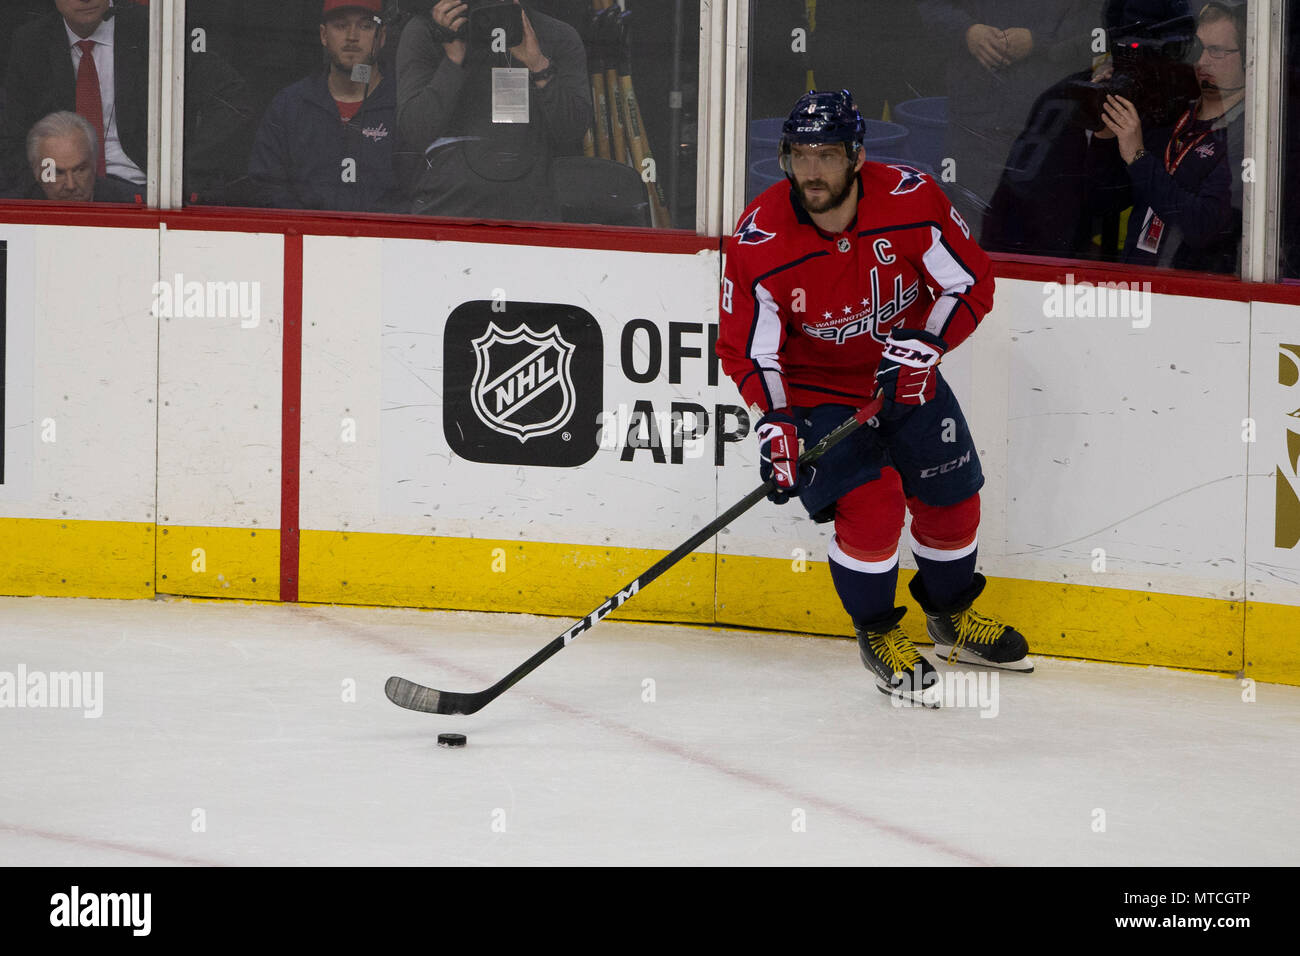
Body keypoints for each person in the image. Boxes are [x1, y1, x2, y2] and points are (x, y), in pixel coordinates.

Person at [716, 89, 1032, 707]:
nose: (812, 171)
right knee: (876, 503)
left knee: (952, 498)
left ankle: (950, 618)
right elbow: (749, 351)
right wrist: (776, 422)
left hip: (904, 374)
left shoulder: (912, 202)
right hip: (816, 395)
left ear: (857, 156)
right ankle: (879, 634)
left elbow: (970, 281)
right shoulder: (759, 242)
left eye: (827, 155)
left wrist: (928, 345)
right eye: (800, 155)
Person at [1087, 1, 1246, 272]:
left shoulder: (1250, 134)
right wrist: (1106, 129)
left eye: (1217, 51)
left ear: (1250, 57)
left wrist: (1138, 157)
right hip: (1136, 288)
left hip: (1191, 299)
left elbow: (1204, 226)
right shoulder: (1172, 114)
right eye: (1199, 49)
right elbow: (1103, 202)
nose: (1203, 61)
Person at [395, 0, 591, 220]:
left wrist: (538, 66)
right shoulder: (429, 30)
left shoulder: (556, 34)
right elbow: (414, 130)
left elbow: (572, 132)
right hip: (446, 214)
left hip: (528, 217)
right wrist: (453, 60)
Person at [248, 0, 404, 212]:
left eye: (365, 26)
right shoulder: (290, 104)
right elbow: (267, 186)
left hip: (384, 240)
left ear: (382, 36)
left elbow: (418, 192)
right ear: (323, 35)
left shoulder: (404, 103)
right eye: (340, 25)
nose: (352, 36)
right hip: (306, 238)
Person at [25, 109, 141, 202]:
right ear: (37, 173)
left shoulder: (131, 204)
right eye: (57, 173)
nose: (71, 186)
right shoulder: (12, 209)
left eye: (80, 170)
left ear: (95, 165)